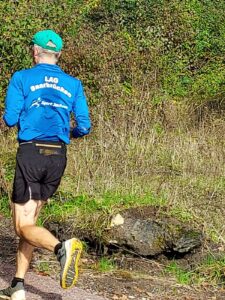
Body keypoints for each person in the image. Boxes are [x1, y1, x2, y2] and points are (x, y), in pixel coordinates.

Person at [0, 29, 91, 300]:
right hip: (58, 157)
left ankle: (61, 248)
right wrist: (67, 134)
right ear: (58, 55)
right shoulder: (73, 84)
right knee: (31, 221)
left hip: (31, 153)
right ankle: (17, 284)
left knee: (21, 225)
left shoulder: (22, 78)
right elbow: (84, 126)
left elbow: (10, 118)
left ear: (34, 51)